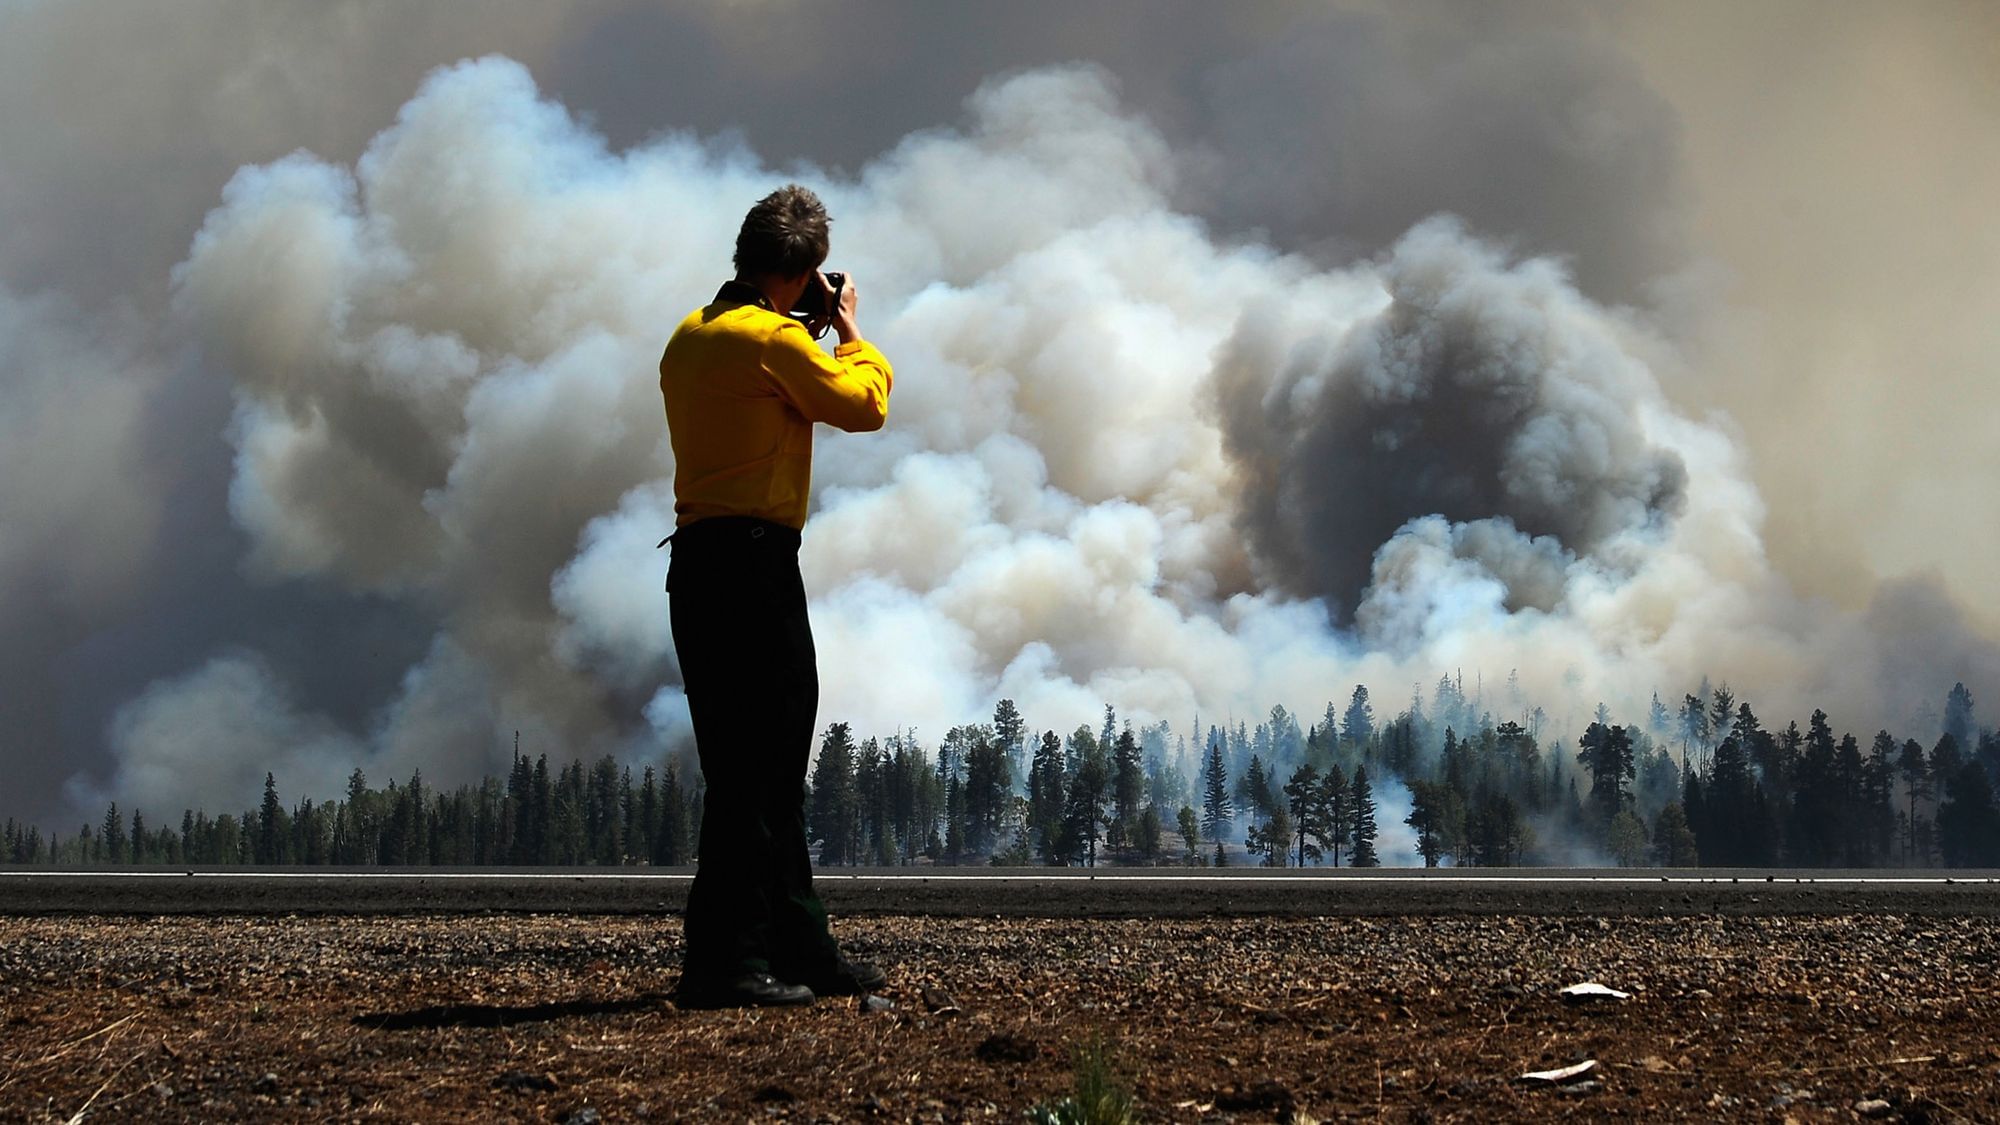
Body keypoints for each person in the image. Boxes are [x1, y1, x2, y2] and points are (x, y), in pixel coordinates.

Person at [658, 184, 894, 1008]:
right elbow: (865, 406)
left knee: (747, 768)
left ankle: (798, 947)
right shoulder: (772, 343)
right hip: (756, 569)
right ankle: (726, 964)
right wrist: (852, 333)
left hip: (695, 568)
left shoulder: (690, 335)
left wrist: (806, 330)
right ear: (805, 272)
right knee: (761, 774)